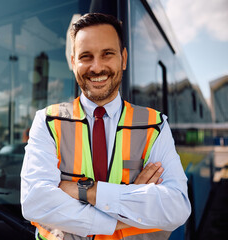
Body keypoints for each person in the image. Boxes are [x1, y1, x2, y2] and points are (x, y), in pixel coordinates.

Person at [20, 13, 191, 240]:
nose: (96, 67)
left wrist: (83, 190)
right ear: (73, 62)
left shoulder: (155, 125)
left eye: (107, 54)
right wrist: (126, 208)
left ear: (123, 58)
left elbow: (176, 207)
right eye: (86, 56)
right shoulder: (48, 121)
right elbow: (34, 202)